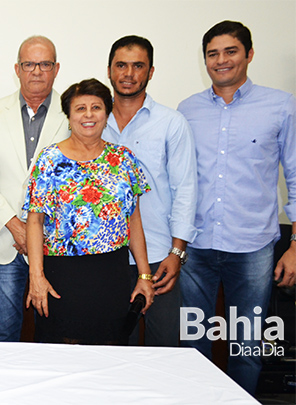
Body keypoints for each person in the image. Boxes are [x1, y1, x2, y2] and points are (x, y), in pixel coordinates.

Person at [177, 20, 296, 394]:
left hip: (252, 248)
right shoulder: (188, 110)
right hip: (196, 247)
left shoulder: (280, 106)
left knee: (246, 345)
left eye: (230, 51)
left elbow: (295, 174)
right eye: (213, 54)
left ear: (249, 54)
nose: (221, 60)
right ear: (205, 61)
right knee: (191, 342)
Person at [24, 78, 154, 345]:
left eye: (96, 107)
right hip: (62, 277)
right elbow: (35, 222)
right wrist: (36, 276)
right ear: (69, 117)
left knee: (111, 351)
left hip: (112, 275)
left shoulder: (123, 159)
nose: (88, 115)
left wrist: (144, 276)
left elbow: (134, 220)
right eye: (80, 108)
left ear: (106, 114)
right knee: (62, 353)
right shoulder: (49, 160)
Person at [102, 35, 197, 346]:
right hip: (107, 258)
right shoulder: (91, 122)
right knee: (114, 350)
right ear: (109, 70)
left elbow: (185, 188)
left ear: (151, 72)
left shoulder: (171, 123)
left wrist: (176, 252)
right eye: (121, 65)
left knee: (164, 349)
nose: (128, 73)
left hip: (158, 257)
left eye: (138, 66)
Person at [0, 36, 70, 341]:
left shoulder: (73, 114)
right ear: (17, 69)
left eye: (45, 64)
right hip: (3, 241)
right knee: (3, 332)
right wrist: (16, 226)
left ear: (56, 69)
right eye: (29, 64)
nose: (37, 71)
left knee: (55, 333)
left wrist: (36, 232)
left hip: (54, 243)